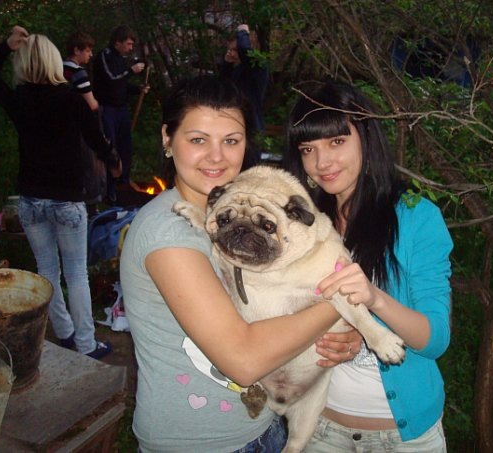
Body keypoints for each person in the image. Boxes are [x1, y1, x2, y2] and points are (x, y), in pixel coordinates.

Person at [119, 75, 360, 452]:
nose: (217, 156)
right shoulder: (169, 233)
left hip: (261, 426)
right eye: (198, 140)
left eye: (231, 141)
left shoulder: (233, 218)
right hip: (200, 444)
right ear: (167, 138)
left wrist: (345, 332)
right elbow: (244, 361)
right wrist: (339, 301)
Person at [284, 80, 453, 452]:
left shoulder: (415, 218)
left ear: (366, 137)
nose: (322, 162)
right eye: (308, 148)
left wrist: (374, 300)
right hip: (318, 428)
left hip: (404, 438)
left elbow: (435, 340)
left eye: (337, 142)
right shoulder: (298, 225)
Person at [0, 25, 122, 359]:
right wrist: (114, 161)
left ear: (23, 62)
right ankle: (86, 344)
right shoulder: (71, 99)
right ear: (52, 61)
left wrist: (5, 47)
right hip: (66, 201)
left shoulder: (19, 100)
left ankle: (65, 333)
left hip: (31, 201)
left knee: (47, 271)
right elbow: (96, 138)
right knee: (76, 275)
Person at [92, 25, 149, 203]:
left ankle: (122, 185)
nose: (131, 48)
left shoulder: (120, 59)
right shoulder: (105, 56)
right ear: (118, 42)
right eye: (128, 44)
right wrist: (131, 71)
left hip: (121, 109)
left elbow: (121, 85)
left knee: (125, 147)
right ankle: (108, 190)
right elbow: (111, 79)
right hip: (107, 109)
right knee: (111, 148)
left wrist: (138, 89)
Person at [63, 31, 105, 215]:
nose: (90, 54)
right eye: (87, 50)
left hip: (60, 126)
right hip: (80, 125)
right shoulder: (78, 73)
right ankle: (90, 206)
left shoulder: (55, 69)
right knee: (90, 165)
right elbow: (91, 104)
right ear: (76, 50)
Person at [219, 24, 269, 134]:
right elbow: (223, 85)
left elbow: (244, 49)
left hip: (251, 125)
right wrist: (227, 64)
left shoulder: (258, 66)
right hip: (233, 122)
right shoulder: (237, 70)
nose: (232, 53)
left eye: (235, 50)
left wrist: (242, 31)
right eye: (229, 50)